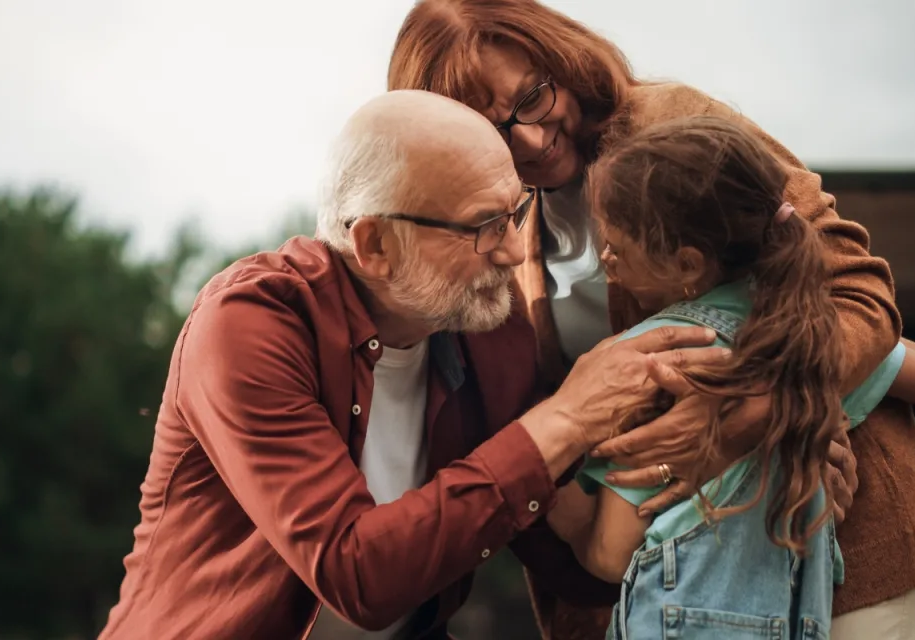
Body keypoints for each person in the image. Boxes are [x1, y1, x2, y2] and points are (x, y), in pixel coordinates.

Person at [388, 1, 915, 637]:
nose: (532, 139)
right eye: (494, 128)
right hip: (676, 580)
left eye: (533, 97)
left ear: (561, 58)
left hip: (832, 536)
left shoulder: (667, 127)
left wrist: (753, 414)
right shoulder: (496, 226)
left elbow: (860, 290)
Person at [95, 90, 728, 640]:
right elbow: (358, 573)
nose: (514, 252)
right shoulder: (251, 324)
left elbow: (575, 562)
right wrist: (564, 419)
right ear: (373, 244)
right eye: (484, 226)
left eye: (516, 212)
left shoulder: (494, 329)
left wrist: (739, 438)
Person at [540, 115, 915, 638]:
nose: (606, 261)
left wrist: (555, 506)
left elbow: (610, 555)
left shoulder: (645, 356)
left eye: (616, 247)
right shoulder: (804, 337)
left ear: (686, 264)